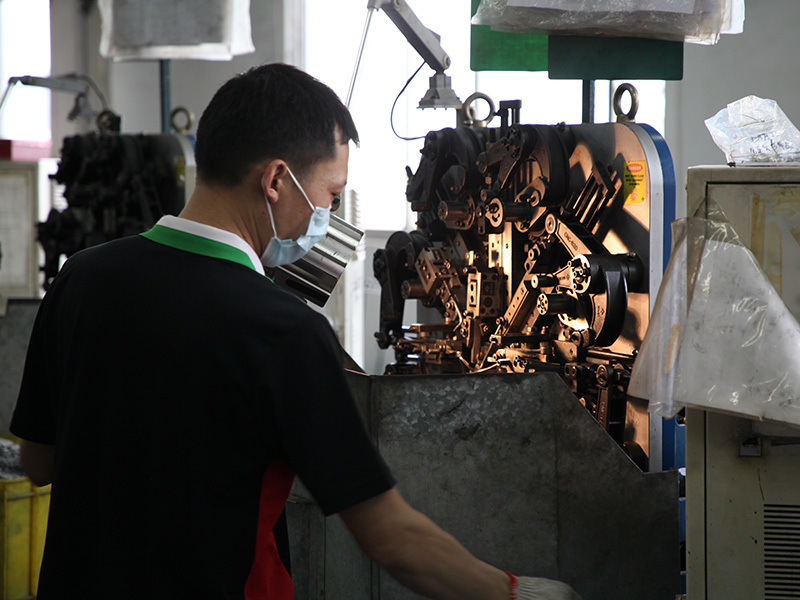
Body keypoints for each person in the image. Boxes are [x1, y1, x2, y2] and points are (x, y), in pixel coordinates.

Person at [12, 63, 581, 600]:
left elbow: (39, 463)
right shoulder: (283, 331)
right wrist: (509, 591)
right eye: (331, 196)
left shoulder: (80, 280)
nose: (327, 218)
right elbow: (390, 537)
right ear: (276, 180)